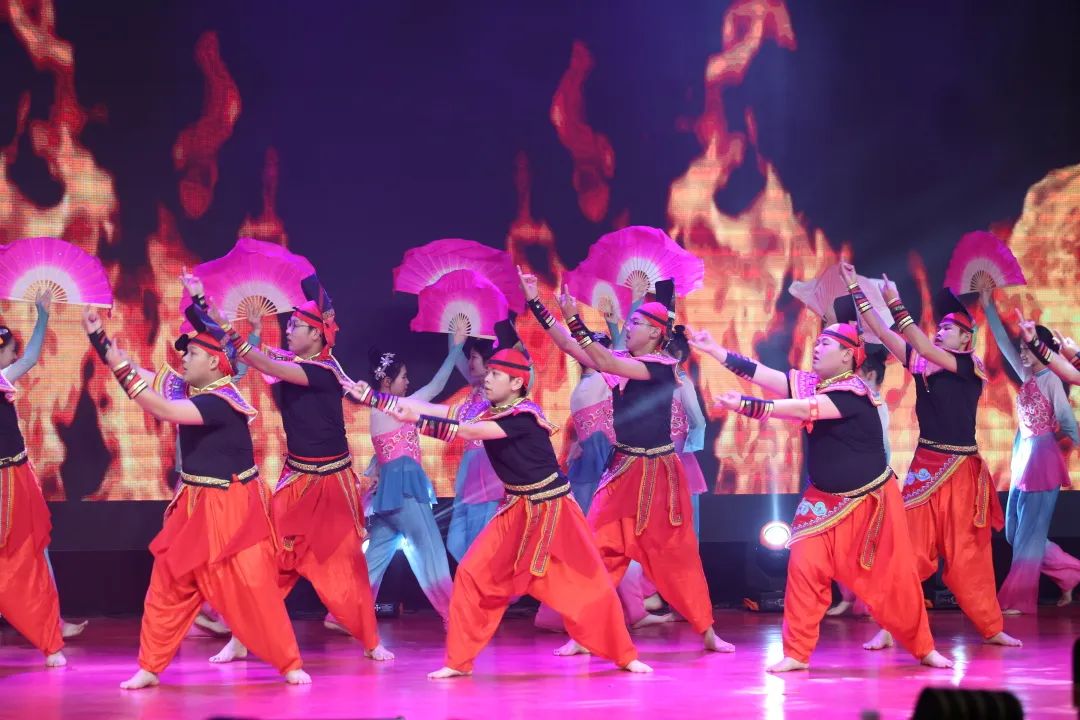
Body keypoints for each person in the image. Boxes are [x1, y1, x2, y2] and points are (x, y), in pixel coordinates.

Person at [350, 347, 651, 678]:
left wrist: (417, 421)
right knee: (470, 575)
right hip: (516, 509)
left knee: (591, 582)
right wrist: (375, 399)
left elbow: (468, 431)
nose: (487, 379)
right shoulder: (486, 410)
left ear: (516, 383)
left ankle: (624, 655)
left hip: (555, 509)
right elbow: (437, 408)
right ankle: (458, 661)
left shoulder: (522, 417)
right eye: (489, 372)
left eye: (495, 374)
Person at [693, 297, 952, 672]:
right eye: (817, 342)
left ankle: (924, 648)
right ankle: (796, 653)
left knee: (895, 580)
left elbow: (805, 409)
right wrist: (715, 351)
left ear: (847, 355)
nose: (816, 347)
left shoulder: (854, 392)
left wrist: (746, 405)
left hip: (871, 504)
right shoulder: (813, 383)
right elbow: (765, 375)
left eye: (826, 343)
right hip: (823, 501)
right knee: (804, 567)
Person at [83, 300, 307, 689]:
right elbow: (144, 375)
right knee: (167, 582)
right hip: (194, 504)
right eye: (184, 354)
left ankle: (288, 663)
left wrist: (120, 368)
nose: (184, 359)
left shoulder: (220, 401)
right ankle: (150, 666)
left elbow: (165, 410)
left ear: (215, 363)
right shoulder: (193, 389)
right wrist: (100, 340)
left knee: (254, 589)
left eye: (192, 354)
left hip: (232, 508)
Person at [523, 268, 734, 655]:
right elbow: (571, 346)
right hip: (622, 471)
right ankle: (582, 634)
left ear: (654, 332)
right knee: (596, 551)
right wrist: (538, 303)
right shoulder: (623, 360)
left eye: (635, 322)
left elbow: (603, 359)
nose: (629, 327)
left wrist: (576, 319)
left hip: (660, 474)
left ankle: (707, 631)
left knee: (679, 556)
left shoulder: (661, 368)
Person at [193, 272, 392, 664]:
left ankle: (371, 641)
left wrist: (225, 324)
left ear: (316, 335)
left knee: (347, 567)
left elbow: (258, 358)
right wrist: (205, 310)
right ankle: (241, 638)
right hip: (297, 480)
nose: (288, 329)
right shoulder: (291, 362)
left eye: (296, 325)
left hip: (332, 484)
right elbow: (248, 356)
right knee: (270, 560)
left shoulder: (322, 371)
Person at [841, 262, 1021, 649]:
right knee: (907, 550)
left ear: (966, 339)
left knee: (969, 555)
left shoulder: (967, 367)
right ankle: (891, 626)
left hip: (962, 472)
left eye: (948, 328)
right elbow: (882, 333)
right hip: (925, 468)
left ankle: (991, 627)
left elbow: (921, 345)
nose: (939, 331)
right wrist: (856, 288)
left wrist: (896, 302)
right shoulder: (921, 364)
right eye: (939, 327)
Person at [353, 338, 462, 623]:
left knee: (376, 554)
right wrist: (456, 348)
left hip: (391, 492)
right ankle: (455, 615)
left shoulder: (378, 411)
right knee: (430, 549)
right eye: (403, 377)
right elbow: (436, 387)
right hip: (404, 489)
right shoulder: (392, 406)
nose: (408, 382)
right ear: (386, 382)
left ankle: (346, 614)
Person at [986, 299, 1080, 612]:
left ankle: (1019, 598)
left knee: (1030, 534)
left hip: (1041, 458)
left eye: (1028, 349)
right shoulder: (1028, 375)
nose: (1023, 354)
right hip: (1023, 454)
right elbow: (1003, 344)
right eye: (1023, 349)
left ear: (1042, 350)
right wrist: (987, 305)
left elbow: (1066, 420)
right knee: (1015, 533)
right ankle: (1071, 573)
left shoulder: (1051, 379)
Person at [0, 290, 67, 668]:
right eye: (8, 351)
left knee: (34, 551)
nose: (13, 357)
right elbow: (28, 358)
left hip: (16, 476)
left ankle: (50, 632)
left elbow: (30, 358)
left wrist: (42, 315)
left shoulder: (3, 378)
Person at [827, 343, 889, 617]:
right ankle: (848, 596)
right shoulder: (853, 399)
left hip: (869, 483)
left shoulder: (874, 404)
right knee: (841, 543)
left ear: (870, 375)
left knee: (867, 544)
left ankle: (869, 599)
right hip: (845, 480)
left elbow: (881, 447)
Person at [445, 337, 505, 561]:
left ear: (488, 362)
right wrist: (455, 336)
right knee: (456, 542)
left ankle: (483, 579)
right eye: (469, 357)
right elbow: (456, 357)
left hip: (487, 466)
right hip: (469, 466)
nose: (469, 362)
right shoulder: (475, 387)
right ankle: (475, 576)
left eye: (474, 357)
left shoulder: (496, 392)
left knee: (479, 540)